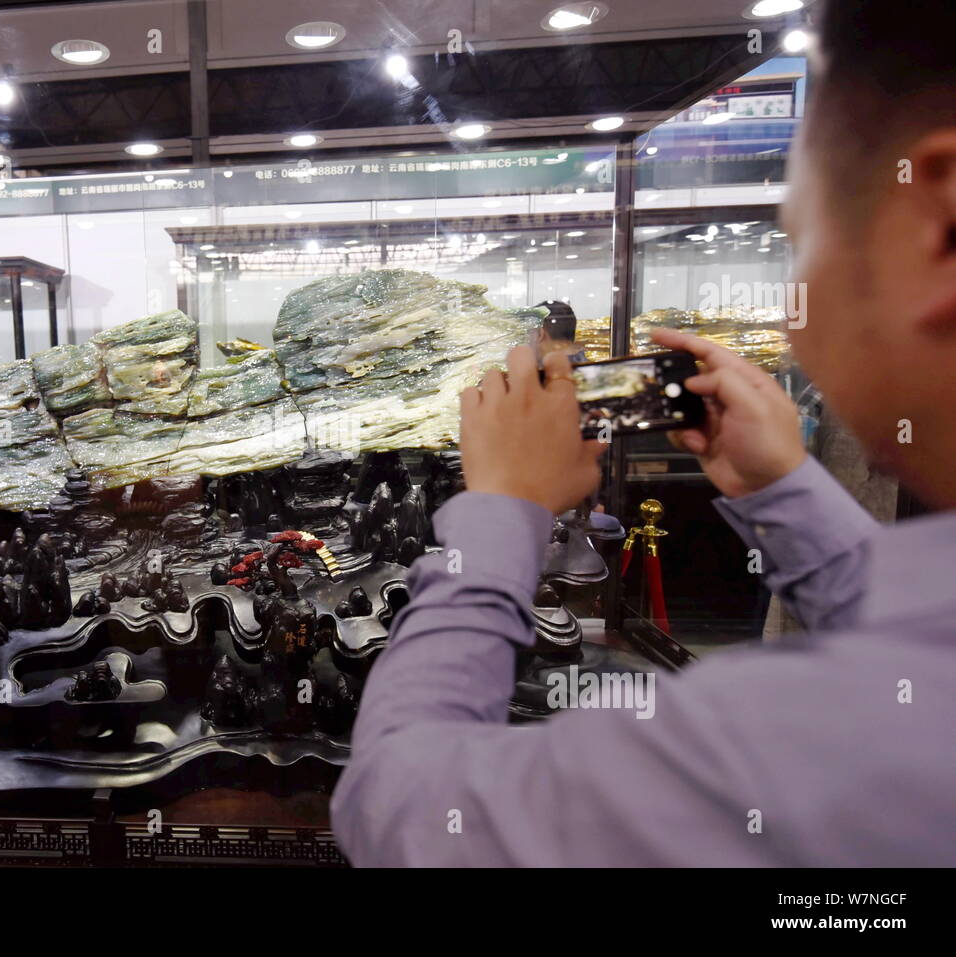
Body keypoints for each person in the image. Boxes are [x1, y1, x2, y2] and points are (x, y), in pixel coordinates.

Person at [330, 0, 956, 866]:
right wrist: (786, 494)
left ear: (936, 220)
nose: (790, 302)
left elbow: (395, 803)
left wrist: (500, 515)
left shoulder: (746, 745)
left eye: (797, 237)